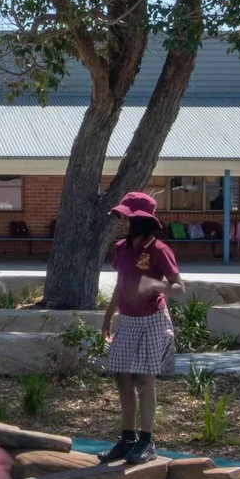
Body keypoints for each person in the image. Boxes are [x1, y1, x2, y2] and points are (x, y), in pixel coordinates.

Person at [99, 191, 183, 465]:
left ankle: (147, 442)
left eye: (126, 217)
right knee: (122, 376)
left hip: (153, 320)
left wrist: (155, 285)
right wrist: (108, 316)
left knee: (144, 381)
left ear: (140, 220)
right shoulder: (122, 247)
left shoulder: (159, 250)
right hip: (128, 320)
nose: (122, 221)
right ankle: (127, 439)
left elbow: (178, 288)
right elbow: (121, 284)